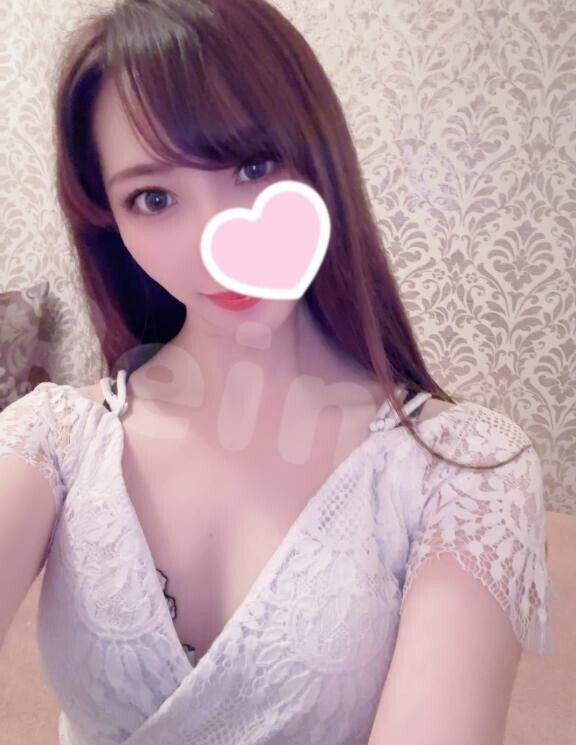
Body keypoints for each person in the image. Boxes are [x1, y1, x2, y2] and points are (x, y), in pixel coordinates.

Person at [0, 1, 553, 744]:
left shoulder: (467, 472)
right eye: (153, 198)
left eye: (253, 166)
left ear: (321, 160)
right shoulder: (54, 439)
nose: (218, 240)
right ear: (111, 221)